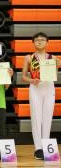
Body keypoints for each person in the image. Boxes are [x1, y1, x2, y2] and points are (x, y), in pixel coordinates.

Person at [21, 32, 61, 160]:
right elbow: (23, 77)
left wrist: (58, 66)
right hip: (35, 88)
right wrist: (32, 81)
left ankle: (46, 145)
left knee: (47, 117)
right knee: (36, 117)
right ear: (33, 42)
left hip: (49, 87)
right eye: (36, 40)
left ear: (47, 42)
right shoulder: (28, 57)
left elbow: (54, 75)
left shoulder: (53, 58)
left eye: (42, 40)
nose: (39, 42)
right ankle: (38, 148)